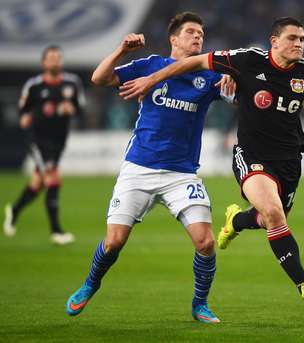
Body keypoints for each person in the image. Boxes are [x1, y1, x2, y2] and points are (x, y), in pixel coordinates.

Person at [119, 16, 304, 311]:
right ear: (274, 41)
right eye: (292, 38)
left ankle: (235, 221)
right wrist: (153, 78)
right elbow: (193, 64)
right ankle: (303, 283)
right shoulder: (245, 60)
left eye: (302, 39)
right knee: (273, 213)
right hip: (251, 155)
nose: (299, 44)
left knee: (270, 218)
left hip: (289, 158)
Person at [65, 12, 236, 323]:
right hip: (138, 169)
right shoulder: (150, 65)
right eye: (191, 32)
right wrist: (121, 50)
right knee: (114, 241)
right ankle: (90, 283)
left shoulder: (208, 76)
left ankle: (200, 304)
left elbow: (233, 96)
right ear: (174, 38)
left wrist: (232, 82)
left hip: (181, 173)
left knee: (206, 242)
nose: (198, 37)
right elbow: (99, 78)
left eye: (201, 33)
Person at [3, 45, 85, 245]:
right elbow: (23, 111)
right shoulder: (34, 86)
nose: (55, 60)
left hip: (59, 141)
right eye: (51, 57)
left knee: (37, 183)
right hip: (38, 140)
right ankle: (56, 231)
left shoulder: (72, 83)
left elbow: (80, 109)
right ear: (44, 62)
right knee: (53, 178)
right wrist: (25, 118)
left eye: (58, 57)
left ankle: (14, 210)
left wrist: (71, 109)